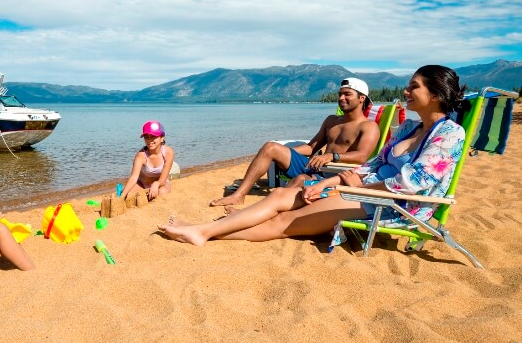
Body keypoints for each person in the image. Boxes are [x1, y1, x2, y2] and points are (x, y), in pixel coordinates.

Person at [159, 65, 465, 246]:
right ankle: (203, 228)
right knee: (280, 195)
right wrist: (331, 184)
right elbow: (374, 164)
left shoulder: (449, 134)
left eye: (414, 86)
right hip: (360, 188)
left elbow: (411, 184)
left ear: (436, 94)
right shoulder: (408, 128)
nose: (406, 91)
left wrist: (346, 186)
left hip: (392, 205)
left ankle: (203, 233)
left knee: (289, 219)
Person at [209, 78, 380, 207]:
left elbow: (362, 156)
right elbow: (312, 147)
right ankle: (239, 195)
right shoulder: (331, 120)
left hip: (337, 174)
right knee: (270, 147)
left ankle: (263, 209)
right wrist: (282, 153)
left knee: (300, 179)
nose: (341, 98)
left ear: (361, 98)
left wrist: (332, 156)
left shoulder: (369, 126)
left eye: (347, 94)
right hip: (316, 165)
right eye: (340, 94)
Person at [121, 120, 176, 200]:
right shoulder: (141, 156)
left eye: (153, 136)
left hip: (160, 184)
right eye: (146, 137)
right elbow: (133, 178)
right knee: (128, 196)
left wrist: (156, 184)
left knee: (162, 193)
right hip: (142, 184)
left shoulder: (168, 153)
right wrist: (122, 196)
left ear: (162, 138)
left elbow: (163, 180)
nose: (149, 140)